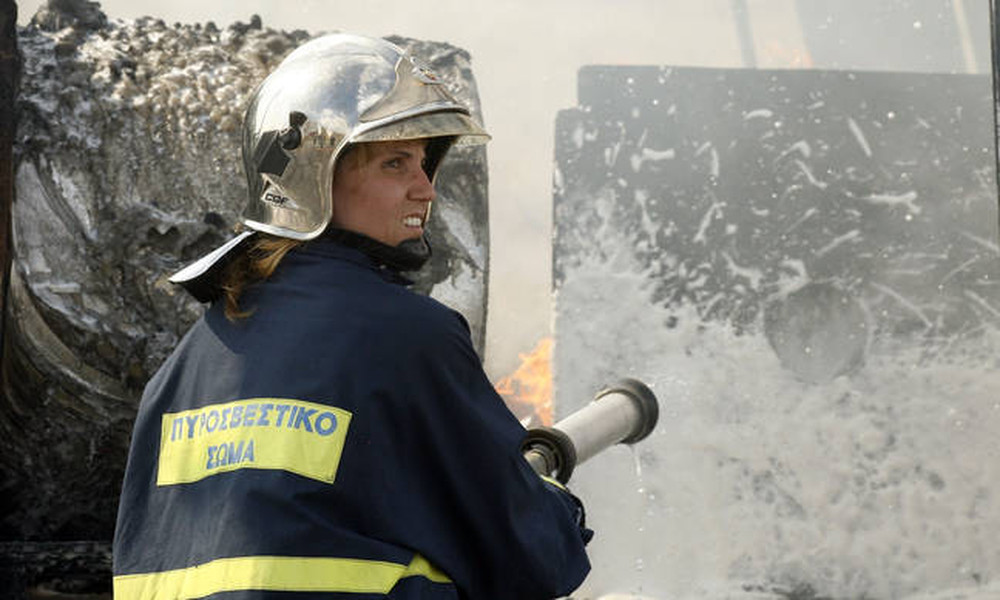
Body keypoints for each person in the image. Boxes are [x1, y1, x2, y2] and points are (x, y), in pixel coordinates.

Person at [111, 33, 592, 600]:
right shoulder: (408, 335)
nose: (426, 190)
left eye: (424, 164)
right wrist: (549, 499)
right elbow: (532, 556)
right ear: (313, 178)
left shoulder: (182, 370)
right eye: (395, 164)